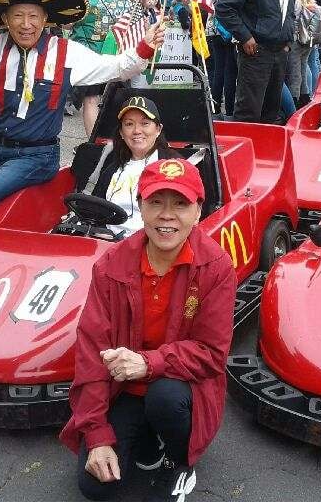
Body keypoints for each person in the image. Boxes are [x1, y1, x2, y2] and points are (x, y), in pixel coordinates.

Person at [0, 0, 165, 232]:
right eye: (18, 15)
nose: (26, 24)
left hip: (37, 156)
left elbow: (118, 67)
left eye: (33, 16)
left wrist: (145, 46)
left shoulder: (66, 53)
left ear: (45, 19)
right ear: (5, 19)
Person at [60, 158, 235, 502]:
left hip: (179, 389)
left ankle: (178, 462)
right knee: (95, 487)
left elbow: (212, 354)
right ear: (140, 206)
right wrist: (96, 435)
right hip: (124, 389)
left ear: (198, 211)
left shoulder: (216, 267)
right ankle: (146, 441)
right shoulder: (111, 265)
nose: (167, 215)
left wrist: (148, 363)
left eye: (180, 204)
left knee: (165, 398)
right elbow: (92, 353)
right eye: (156, 202)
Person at [216, 0, 295, 123]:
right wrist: (245, 36)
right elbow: (224, 7)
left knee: (272, 110)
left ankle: (266, 142)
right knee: (249, 110)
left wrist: (288, 39)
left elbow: (288, 12)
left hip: (279, 51)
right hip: (256, 52)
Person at [90, 97, 182, 238]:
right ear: (121, 133)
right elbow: (95, 209)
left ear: (158, 129)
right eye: (129, 124)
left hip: (154, 242)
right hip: (107, 240)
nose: (137, 130)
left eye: (145, 123)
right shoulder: (112, 167)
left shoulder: (175, 167)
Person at [71, 0, 132, 135]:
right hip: (118, 53)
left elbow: (68, 23)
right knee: (117, 100)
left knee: (90, 100)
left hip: (91, 55)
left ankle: (93, 142)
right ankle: (118, 139)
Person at [206, 0, 243, 116]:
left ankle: (215, 106)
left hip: (215, 31)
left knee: (218, 70)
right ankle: (229, 109)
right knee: (230, 72)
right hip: (231, 31)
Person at [286, 0, 321, 107]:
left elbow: (292, 16)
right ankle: (305, 97)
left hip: (295, 39)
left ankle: (295, 102)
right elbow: (319, 11)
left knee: (294, 72)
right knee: (303, 67)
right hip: (307, 39)